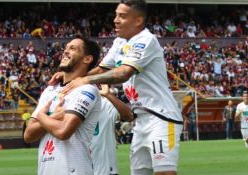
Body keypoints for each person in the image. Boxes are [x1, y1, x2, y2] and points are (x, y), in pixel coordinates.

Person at [51, 1, 183, 174]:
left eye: (122, 16)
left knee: (164, 172)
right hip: (141, 121)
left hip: (162, 117)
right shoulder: (120, 42)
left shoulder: (146, 40)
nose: (116, 20)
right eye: (116, 15)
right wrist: (71, 77)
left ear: (137, 20)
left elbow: (124, 73)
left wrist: (84, 80)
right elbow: (102, 69)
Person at [24, 36, 102, 175]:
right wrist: (53, 117)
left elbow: (63, 131)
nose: (65, 52)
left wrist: (42, 116)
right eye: (65, 48)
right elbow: (28, 134)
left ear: (87, 59)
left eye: (72, 49)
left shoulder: (88, 90)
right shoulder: (50, 89)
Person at [91, 84, 134, 175]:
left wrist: (108, 95)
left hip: (107, 169)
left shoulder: (106, 103)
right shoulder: (68, 101)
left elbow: (130, 116)